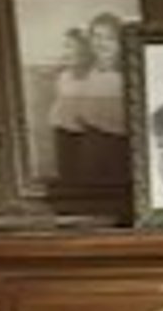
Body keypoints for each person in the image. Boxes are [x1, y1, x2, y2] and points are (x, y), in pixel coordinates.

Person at [47, 10, 129, 189]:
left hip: (120, 144)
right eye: (97, 37)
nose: (101, 43)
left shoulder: (128, 75)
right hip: (90, 142)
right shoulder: (86, 71)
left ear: (120, 42)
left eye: (109, 38)